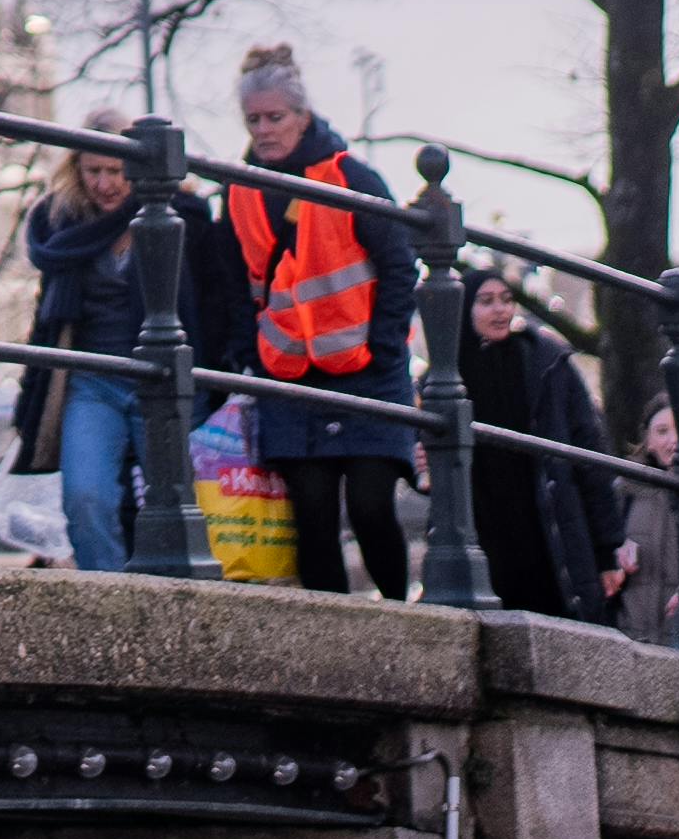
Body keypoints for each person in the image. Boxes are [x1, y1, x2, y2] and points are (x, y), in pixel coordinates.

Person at [219, 44, 418, 598]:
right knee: (311, 514)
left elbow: (401, 266)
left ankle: (403, 619)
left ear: (303, 117)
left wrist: (381, 346)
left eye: (275, 117)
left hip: (364, 367)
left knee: (371, 506)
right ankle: (335, 638)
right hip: (288, 370)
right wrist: (248, 353)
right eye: (254, 120)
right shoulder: (238, 191)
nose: (264, 130)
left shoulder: (352, 176)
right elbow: (237, 283)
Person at [461, 267, 628, 622]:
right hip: (490, 537)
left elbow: (590, 456)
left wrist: (606, 551)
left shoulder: (546, 363)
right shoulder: (449, 375)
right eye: (486, 301)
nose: (501, 310)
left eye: (507, 300)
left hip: (552, 533)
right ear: (464, 310)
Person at [18, 142, 147, 572]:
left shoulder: (174, 214)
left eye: (116, 170)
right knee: (85, 496)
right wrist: (29, 399)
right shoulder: (62, 226)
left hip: (161, 381)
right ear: (77, 170)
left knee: (178, 499)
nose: (105, 183)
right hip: (92, 382)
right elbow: (46, 320)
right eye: (93, 170)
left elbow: (212, 301)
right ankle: (109, 598)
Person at [612, 402, 679, 640]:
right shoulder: (626, 487)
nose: (673, 440)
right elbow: (600, 545)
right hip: (631, 633)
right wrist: (617, 553)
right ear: (648, 440)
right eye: (662, 431)